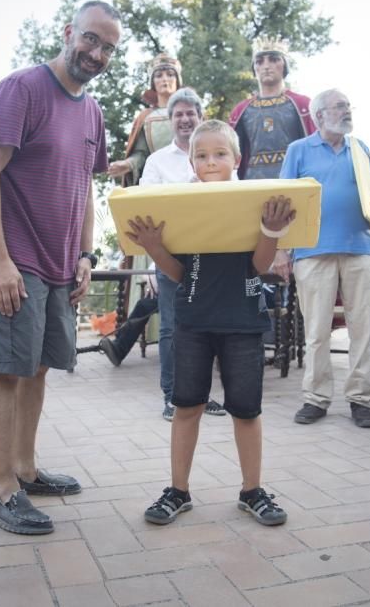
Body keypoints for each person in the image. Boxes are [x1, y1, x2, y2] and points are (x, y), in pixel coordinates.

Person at [0, 1, 121, 535]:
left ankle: (26, 471)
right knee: (6, 369)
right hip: (14, 258)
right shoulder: (23, 88)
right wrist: (1, 261)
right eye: (90, 40)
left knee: (37, 367)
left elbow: (86, 188)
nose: (96, 53)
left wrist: (85, 255)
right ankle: (2, 490)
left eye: (107, 48)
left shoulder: (93, 112)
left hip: (58, 264)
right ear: (68, 33)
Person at [125, 120, 293, 527]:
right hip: (194, 322)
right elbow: (179, 272)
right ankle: (178, 490)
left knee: (246, 410)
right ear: (191, 161)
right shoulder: (183, 205)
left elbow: (258, 266)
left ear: (237, 159)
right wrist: (153, 247)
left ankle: (252, 490)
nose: (211, 161)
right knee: (186, 407)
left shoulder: (254, 201)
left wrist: (271, 231)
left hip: (243, 322)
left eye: (220, 154)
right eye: (202, 155)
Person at [280, 89, 370, 429]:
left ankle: (361, 400)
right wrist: (282, 250)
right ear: (319, 115)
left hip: (362, 249)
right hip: (312, 251)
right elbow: (282, 200)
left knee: (361, 330)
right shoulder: (299, 150)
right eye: (339, 106)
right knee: (316, 331)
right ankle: (316, 397)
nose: (346, 111)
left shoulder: (360, 148)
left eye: (347, 106)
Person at [139, 87, 224, 419]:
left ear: (200, 117)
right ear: (170, 120)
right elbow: (144, 210)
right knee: (173, 328)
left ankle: (201, 396)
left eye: (191, 113)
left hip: (214, 255)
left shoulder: (219, 156)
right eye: (179, 114)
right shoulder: (156, 161)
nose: (185, 119)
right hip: (170, 256)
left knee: (210, 328)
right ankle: (173, 396)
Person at [228, 37, 317, 182]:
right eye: (259, 61)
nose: (266, 66)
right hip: (252, 181)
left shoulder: (303, 105)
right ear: (254, 69)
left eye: (274, 59)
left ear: (284, 66)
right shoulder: (241, 111)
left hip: (294, 178)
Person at [106, 53, 182, 185]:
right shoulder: (146, 117)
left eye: (170, 74)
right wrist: (128, 164)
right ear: (153, 83)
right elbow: (141, 154)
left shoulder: (192, 112)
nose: (165, 79)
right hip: (158, 181)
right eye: (159, 76)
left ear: (177, 80)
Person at [99, 272, 158, 366]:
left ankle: (119, 349)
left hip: (175, 297)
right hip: (160, 296)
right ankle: (118, 345)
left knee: (142, 306)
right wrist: (149, 279)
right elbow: (147, 272)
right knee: (142, 305)